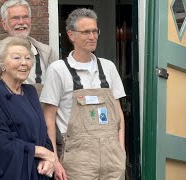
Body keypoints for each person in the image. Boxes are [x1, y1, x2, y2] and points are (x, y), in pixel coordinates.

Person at [40, 8, 126, 180]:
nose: (92, 36)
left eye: (95, 31)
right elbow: (48, 118)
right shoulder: (58, 70)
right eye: (86, 32)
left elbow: (118, 114)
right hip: (78, 161)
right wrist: (55, 160)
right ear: (71, 35)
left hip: (112, 158)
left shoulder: (108, 67)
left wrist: (121, 150)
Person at [0, 36, 59, 180]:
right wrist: (41, 152)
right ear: (2, 64)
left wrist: (48, 159)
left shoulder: (31, 92)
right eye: (16, 58)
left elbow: (42, 132)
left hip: (36, 171)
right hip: (9, 172)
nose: (24, 63)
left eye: (27, 58)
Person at [0, 0, 57, 95]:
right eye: (15, 18)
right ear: (4, 24)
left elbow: (55, 92)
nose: (21, 22)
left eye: (25, 17)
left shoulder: (47, 53)